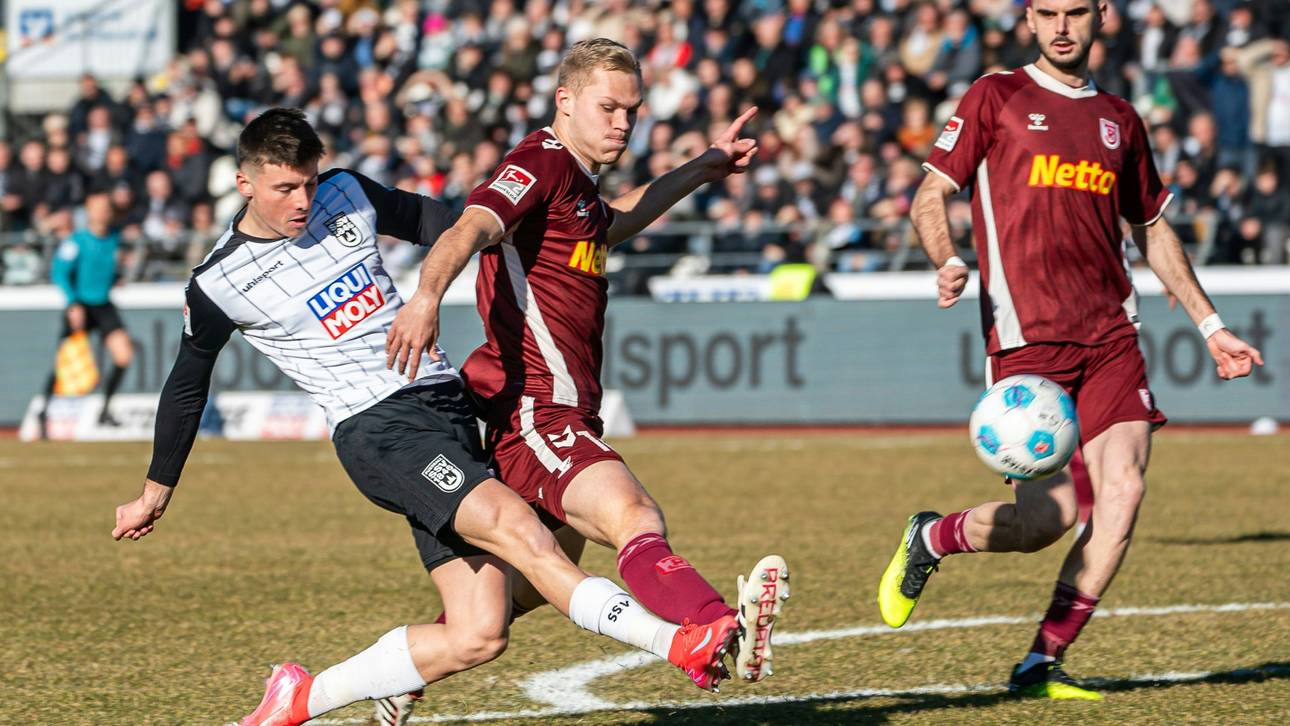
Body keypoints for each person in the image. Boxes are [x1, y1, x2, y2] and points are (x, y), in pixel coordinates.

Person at [110, 109, 742, 726]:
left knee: (478, 633)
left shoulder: (347, 192)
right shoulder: (219, 281)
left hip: (448, 407)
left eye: (309, 182)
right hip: (379, 429)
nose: (303, 201)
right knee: (523, 532)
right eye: (284, 189)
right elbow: (187, 385)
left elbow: (457, 226)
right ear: (244, 183)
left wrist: (559, 229)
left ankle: (298, 699)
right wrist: (154, 492)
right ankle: (677, 642)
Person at [876, 0, 1263, 701]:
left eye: (1076, 12)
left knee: (1124, 493)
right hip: (1028, 340)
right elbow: (930, 193)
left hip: (1112, 336)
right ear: (1028, 19)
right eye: (1048, 12)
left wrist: (1210, 325)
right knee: (1044, 524)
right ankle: (932, 538)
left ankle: (1042, 661)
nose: (1062, 26)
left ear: (1101, 16)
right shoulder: (995, 95)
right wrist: (946, 258)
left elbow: (1152, 227)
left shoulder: (1121, 118)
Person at [385, 37, 790, 692]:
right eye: (609, 108)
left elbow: (611, 221)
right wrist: (426, 297)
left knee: (514, 595)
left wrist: (702, 168)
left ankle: (406, 667)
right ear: (565, 101)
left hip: (564, 411)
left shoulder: (575, 183)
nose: (623, 124)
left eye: (632, 111)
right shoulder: (539, 162)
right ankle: (715, 627)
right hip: (535, 413)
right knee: (634, 517)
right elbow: (470, 226)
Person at [40, 191, 135, 433]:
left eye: (106, 208)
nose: (102, 213)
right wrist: (72, 303)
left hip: (103, 305)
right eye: (97, 208)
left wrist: (117, 277)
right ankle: (44, 411)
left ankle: (105, 410)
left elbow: (112, 267)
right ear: (89, 212)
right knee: (66, 363)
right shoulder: (77, 241)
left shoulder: (115, 239)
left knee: (124, 355)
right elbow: (59, 272)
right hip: (80, 305)